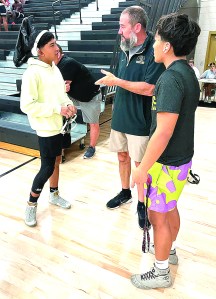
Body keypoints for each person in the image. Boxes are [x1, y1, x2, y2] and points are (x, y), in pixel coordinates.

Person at [130, 13, 201, 289]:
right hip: (180, 160)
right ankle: (168, 249)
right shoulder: (189, 73)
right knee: (169, 208)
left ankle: (160, 272)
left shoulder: (170, 79)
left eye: (157, 39)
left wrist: (141, 169)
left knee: (157, 216)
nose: (154, 44)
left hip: (167, 162)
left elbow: (163, 131)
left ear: (168, 45)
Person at [95, 6, 165, 229]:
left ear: (137, 27)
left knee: (140, 164)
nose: (119, 31)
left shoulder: (154, 50)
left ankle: (142, 204)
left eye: (122, 26)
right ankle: (125, 191)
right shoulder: (125, 46)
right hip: (120, 116)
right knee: (122, 157)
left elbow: (149, 88)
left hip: (140, 120)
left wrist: (117, 82)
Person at [20, 30, 77, 227]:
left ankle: (54, 194)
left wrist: (68, 104)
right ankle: (31, 204)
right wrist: (57, 109)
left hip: (58, 126)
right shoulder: (32, 73)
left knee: (57, 161)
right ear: (40, 51)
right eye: (51, 44)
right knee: (46, 167)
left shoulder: (54, 68)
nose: (56, 48)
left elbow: (61, 95)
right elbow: (26, 105)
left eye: (56, 43)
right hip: (45, 128)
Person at [54, 44, 102, 159]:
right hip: (75, 96)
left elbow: (65, 86)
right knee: (62, 112)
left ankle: (92, 147)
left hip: (89, 96)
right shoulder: (54, 66)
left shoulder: (67, 63)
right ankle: (64, 139)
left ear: (59, 54)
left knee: (93, 123)